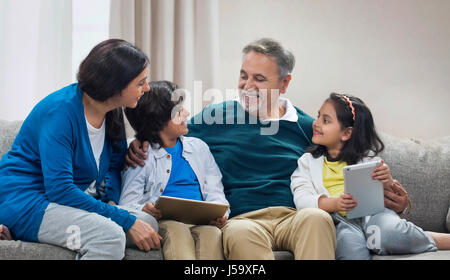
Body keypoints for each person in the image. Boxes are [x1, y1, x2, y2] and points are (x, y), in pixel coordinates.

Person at [126, 38, 411, 259]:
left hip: (294, 217)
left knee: (316, 217)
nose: (247, 86)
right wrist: (139, 141)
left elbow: (350, 165)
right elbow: (166, 130)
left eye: (259, 79)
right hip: (243, 220)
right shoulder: (215, 118)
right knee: (238, 233)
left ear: (285, 83)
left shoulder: (309, 128)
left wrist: (391, 196)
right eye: (243, 75)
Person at [0, 39, 162, 259]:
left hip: (60, 202)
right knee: (110, 236)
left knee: (147, 223)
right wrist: (122, 219)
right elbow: (60, 189)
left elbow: (113, 166)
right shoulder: (60, 114)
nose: (147, 88)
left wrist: (111, 203)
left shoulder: (111, 110)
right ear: (115, 85)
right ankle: (21, 229)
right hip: (28, 202)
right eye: (140, 82)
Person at [290, 93, 450, 259]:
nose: (315, 123)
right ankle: (372, 241)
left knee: (392, 233)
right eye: (318, 117)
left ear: (346, 133)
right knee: (349, 250)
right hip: (340, 222)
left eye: (325, 120)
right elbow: (302, 200)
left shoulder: (367, 158)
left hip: (374, 215)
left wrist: (387, 181)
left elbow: (386, 196)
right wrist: (335, 204)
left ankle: (436, 240)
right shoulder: (307, 163)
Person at [119, 81, 229, 260]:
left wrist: (220, 214)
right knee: (177, 231)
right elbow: (127, 203)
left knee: (212, 234)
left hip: (201, 222)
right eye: (178, 111)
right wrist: (143, 210)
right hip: (165, 222)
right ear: (158, 119)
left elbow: (215, 192)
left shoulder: (199, 148)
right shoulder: (141, 155)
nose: (186, 113)